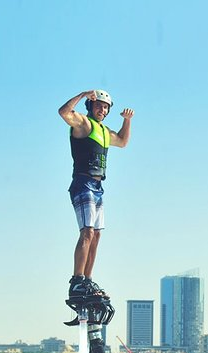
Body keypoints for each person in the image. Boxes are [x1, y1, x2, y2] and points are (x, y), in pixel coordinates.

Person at [58, 89, 133, 299]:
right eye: (99, 105)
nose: (103, 109)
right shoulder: (84, 124)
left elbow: (123, 141)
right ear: (91, 106)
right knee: (87, 232)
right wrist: (82, 94)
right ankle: (77, 281)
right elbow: (64, 112)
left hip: (98, 187)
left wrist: (127, 120)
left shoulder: (104, 131)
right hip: (83, 182)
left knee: (97, 234)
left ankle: (88, 280)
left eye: (106, 107)